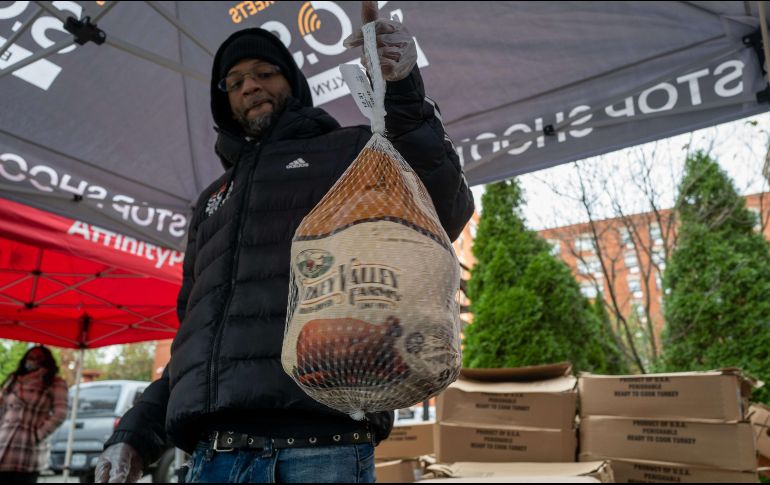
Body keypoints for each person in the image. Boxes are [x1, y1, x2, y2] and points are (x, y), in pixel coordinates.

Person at [96, 2, 474, 483]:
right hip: (212, 458)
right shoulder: (210, 202)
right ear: (224, 101)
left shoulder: (348, 150)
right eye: (235, 81)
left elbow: (443, 206)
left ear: (292, 83)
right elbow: (194, 341)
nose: (250, 86)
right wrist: (134, 434)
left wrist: (402, 92)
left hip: (324, 448)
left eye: (264, 72)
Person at [0, 346, 68, 483]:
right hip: (3, 442)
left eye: (39, 358)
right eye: (31, 357)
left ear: (47, 361)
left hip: (28, 448)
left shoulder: (54, 382)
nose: (33, 360)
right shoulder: (13, 379)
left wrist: (38, 435)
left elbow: (60, 413)